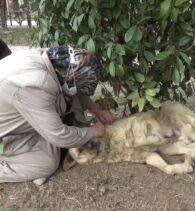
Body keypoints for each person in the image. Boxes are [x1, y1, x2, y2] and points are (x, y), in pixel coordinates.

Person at [0, 45, 114, 183]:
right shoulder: (35, 85)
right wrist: (92, 132)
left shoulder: (53, 61)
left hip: (12, 113)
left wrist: (97, 110)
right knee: (46, 163)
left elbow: (74, 88)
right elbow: (59, 136)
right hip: (4, 139)